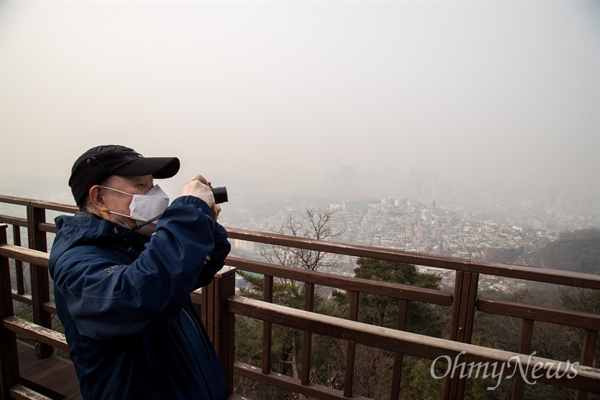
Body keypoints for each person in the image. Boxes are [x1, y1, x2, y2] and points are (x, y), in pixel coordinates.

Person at [49, 145, 231, 400]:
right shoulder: (75, 261)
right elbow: (141, 297)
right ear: (99, 197)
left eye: (152, 184)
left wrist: (204, 224)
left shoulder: (132, 239)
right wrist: (188, 212)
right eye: (141, 185)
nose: (154, 194)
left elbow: (196, 269)